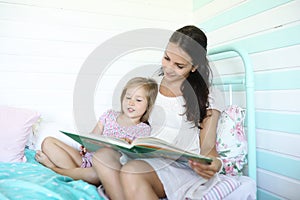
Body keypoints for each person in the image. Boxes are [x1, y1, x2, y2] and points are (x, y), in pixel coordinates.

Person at [92, 25, 225, 200]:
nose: (169, 68)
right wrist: (126, 140)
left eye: (179, 65)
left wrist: (213, 165)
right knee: (102, 157)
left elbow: (209, 149)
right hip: (149, 158)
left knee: (132, 172)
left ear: (194, 67)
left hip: (183, 167)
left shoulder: (207, 97)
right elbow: (138, 123)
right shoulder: (152, 85)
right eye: (166, 58)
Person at [35, 77, 158, 186]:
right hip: (85, 159)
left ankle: (53, 168)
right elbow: (92, 137)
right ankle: (76, 174)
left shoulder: (143, 129)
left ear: (148, 105)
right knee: (48, 142)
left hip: (104, 168)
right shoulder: (109, 115)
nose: (131, 102)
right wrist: (85, 145)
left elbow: (134, 156)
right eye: (128, 97)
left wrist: (124, 144)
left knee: (95, 175)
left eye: (138, 100)